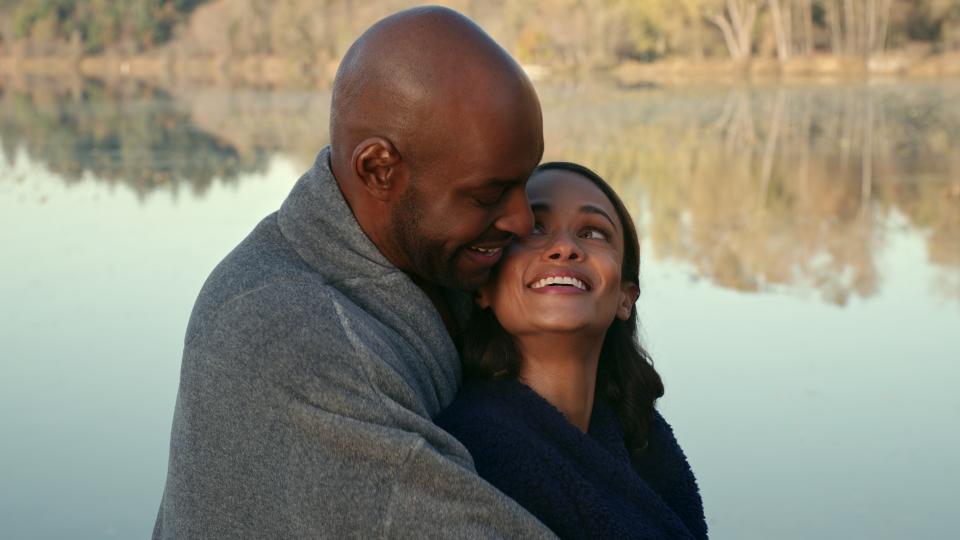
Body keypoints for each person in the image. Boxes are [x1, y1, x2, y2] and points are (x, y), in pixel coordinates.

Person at [153, 7, 555, 538]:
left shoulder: (436, 264)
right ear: (378, 169)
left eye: (525, 183)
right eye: (487, 195)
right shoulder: (289, 333)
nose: (522, 219)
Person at [436, 163, 708, 539]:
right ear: (484, 287)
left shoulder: (643, 440)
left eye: (593, 232)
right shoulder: (465, 452)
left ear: (625, 299)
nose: (564, 248)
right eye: (534, 228)